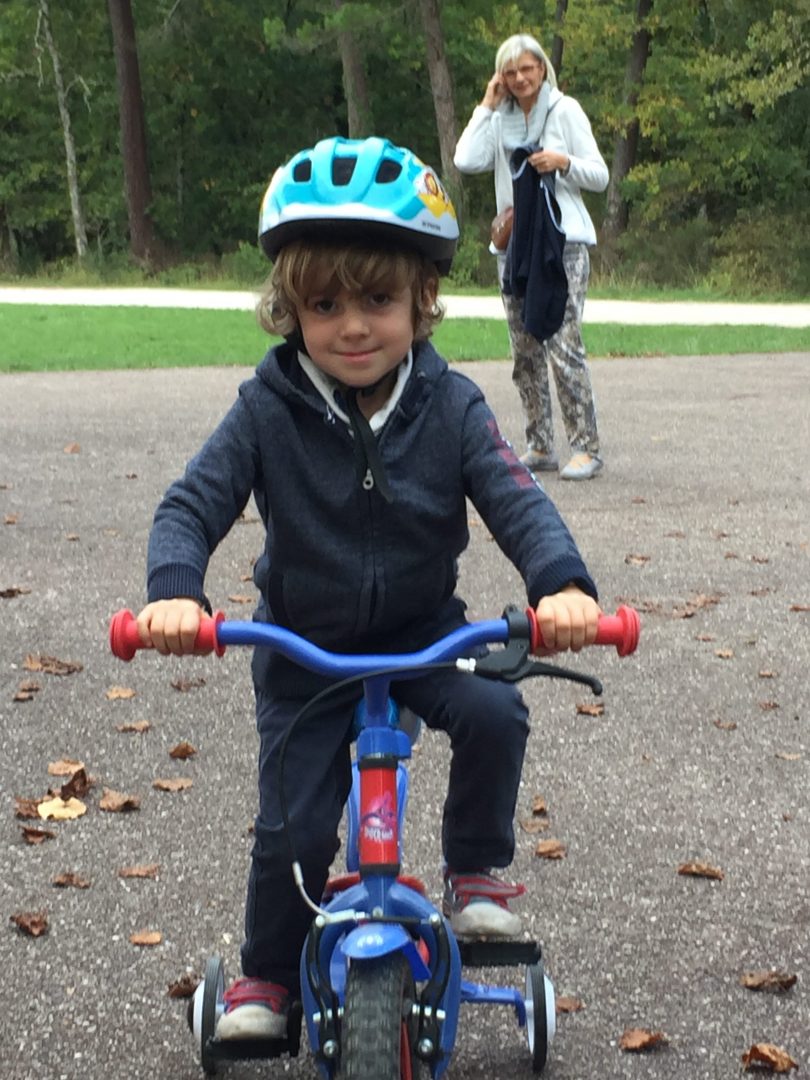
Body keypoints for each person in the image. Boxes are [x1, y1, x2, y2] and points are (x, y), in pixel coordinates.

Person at [132, 135, 601, 1041]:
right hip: (304, 658)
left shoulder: (453, 405)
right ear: (290, 310)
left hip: (424, 637)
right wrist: (175, 590)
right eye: (325, 303)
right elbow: (190, 504)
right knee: (293, 832)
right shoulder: (266, 408)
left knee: (496, 714)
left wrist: (564, 587)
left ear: (423, 301)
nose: (353, 326)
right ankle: (268, 978)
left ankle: (473, 874)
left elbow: (518, 498)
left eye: (378, 299)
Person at [454, 32, 609, 480]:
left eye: (527, 68)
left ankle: (586, 447)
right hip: (515, 245)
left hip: (564, 242)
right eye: (510, 71)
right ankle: (539, 444)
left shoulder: (566, 110)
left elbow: (598, 175)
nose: (520, 78)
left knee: (563, 343)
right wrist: (486, 104)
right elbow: (466, 159)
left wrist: (563, 162)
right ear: (501, 77)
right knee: (524, 349)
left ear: (542, 69)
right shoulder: (499, 119)